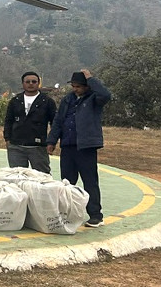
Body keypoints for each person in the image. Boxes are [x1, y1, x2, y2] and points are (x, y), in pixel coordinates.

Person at [47, 69, 112, 228]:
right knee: (67, 183)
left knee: (90, 182)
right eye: (73, 86)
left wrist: (91, 78)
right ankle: (68, 214)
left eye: (79, 86)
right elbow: (58, 121)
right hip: (68, 146)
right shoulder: (67, 99)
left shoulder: (94, 99)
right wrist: (51, 141)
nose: (75, 89)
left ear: (87, 86)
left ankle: (96, 216)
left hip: (86, 147)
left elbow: (106, 95)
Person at [3, 71, 57, 173]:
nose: (31, 84)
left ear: (38, 83)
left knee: (43, 177)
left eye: (34, 81)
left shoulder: (47, 101)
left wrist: (51, 142)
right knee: (17, 177)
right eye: (27, 82)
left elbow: (54, 123)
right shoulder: (15, 101)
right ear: (23, 83)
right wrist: (7, 139)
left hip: (38, 147)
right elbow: (8, 121)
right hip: (16, 146)